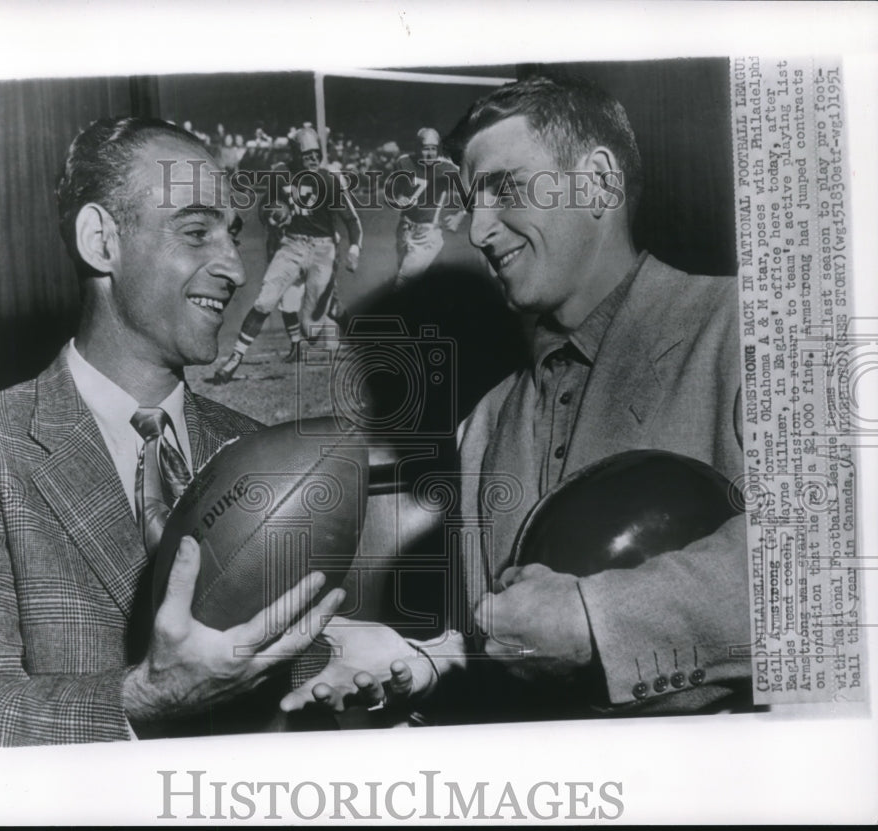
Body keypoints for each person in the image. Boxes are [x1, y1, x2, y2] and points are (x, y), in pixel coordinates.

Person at [280, 75, 751, 721]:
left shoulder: (747, 329)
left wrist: (598, 618)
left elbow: (832, 569)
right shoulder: (488, 420)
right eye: (471, 200)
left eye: (505, 188)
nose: (477, 229)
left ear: (599, 183)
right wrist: (427, 663)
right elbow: (505, 643)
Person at [0, 116, 345, 746]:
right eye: (196, 232)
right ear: (101, 242)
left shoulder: (259, 451)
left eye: (233, 234)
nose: (234, 266)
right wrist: (145, 698)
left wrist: (359, 663)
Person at [213, 126, 362, 382]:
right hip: (291, 245)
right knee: (264, 301)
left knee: (311, 327)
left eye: (317, 154)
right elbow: (263, 209)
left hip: (322, 249)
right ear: (295, 154)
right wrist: (272, 215)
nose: (314, 159)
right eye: (308, 155)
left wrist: (354, 248)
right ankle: (235, 358)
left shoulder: (328, 180)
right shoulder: (281, 174)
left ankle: (358, 339)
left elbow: (353, 221)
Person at [388, 127, 465, 286]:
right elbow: (390, 194)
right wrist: (398, 198)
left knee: (402, 282)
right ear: (416, 147)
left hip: (427, 234)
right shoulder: (403, 162)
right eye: (425, 149)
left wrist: (460, 215)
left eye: (433, 149)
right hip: (404, 229)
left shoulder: (447, 168)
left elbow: (472, 194)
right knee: (410, 279)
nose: (429, 154)